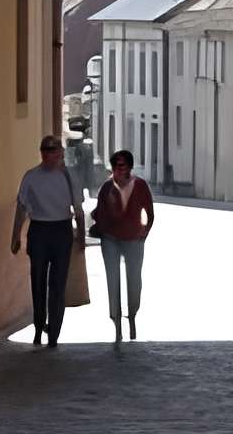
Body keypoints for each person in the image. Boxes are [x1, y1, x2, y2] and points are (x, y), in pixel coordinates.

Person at [9, 133, 85, 346]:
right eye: (46, 151)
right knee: (38, 280)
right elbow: (21, 207)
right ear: (41, 154)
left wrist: (81, 236)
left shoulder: (68, 177)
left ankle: (54, 331)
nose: (50, 155)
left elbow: (78, 208)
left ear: (60, 153)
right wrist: (15, 235)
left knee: (58, 284)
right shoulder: (31, 177)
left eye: (54, 151)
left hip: (61, 230)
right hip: (39, 230)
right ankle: (38, 324)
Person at [92, 147, 154, 342]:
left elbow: (150, 213)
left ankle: (132, 315)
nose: (118, 169)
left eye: (122, 165)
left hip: (134, 238)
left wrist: (144, 233)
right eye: (115, 166)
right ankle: (117, 321)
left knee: (134, 280)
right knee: (113, 280)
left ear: (129, 167)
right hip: (110, 238)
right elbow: (99, 212)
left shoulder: (140, 186)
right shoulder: (107, 188)